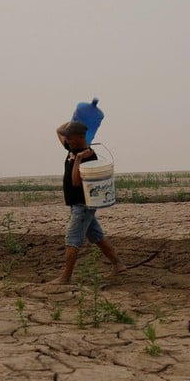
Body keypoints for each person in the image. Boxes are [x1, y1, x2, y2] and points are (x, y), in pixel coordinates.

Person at [48, 120, 125, 284]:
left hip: (83, 205)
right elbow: (58, 130)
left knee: (72, 238)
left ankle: (65, 277)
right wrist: (75, 119)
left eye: (70, 138)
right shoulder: (72, 147)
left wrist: (78, 159)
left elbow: (76, 181)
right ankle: (118, 265)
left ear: (78, 138)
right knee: (97, 236)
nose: (66, 140)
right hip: (78, 205)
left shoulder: (88, 155)